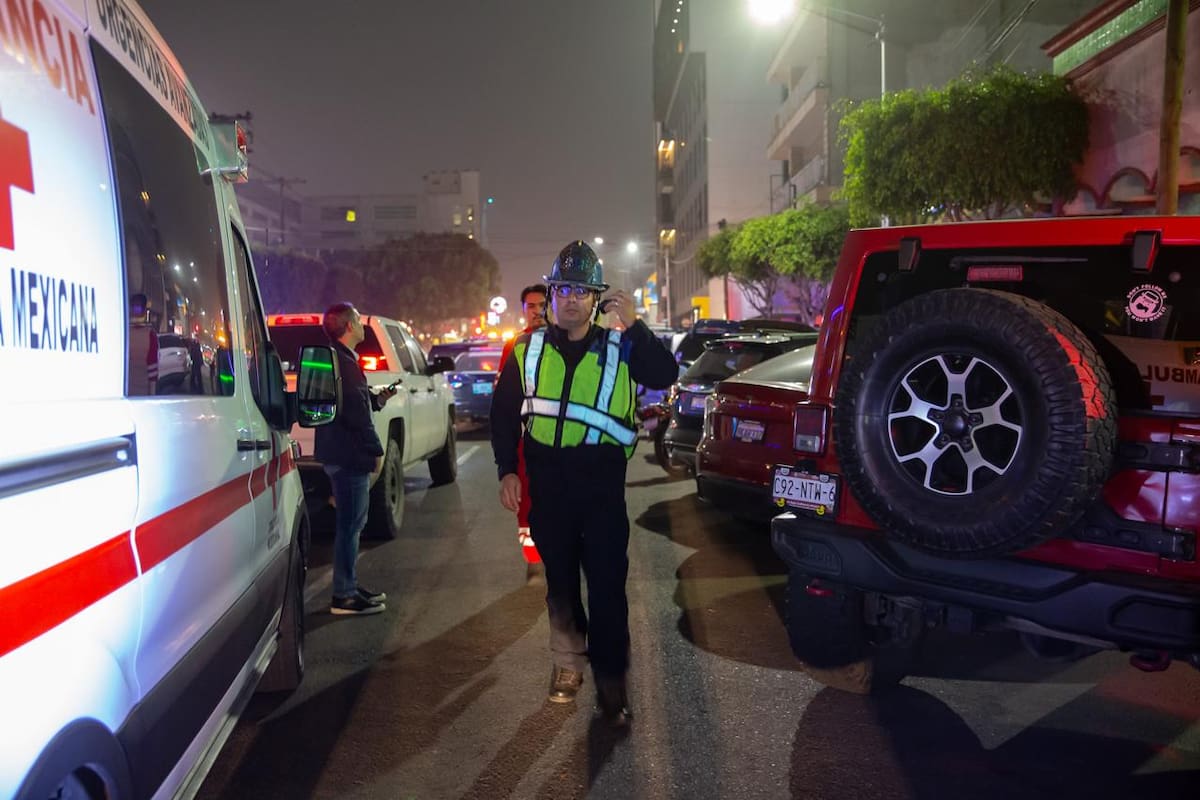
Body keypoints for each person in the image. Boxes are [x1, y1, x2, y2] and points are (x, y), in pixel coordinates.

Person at [490, 241, 677, 726]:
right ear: (551, 296)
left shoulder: (621, 346)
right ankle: (568, 665)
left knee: (608, 589)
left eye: (581, 291)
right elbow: (505, 415)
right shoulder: (526, 350)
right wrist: (506, 470)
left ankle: (612, 684)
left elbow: (665, 372)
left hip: (601, 492)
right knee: (561, 586)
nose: (570, 299)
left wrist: (635, 324)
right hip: (549, 491)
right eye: (563, 289)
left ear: (597, 299)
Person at [315, 302, 396, 616]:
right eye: (359, 322)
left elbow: (355, 405)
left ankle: (349, 586)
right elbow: (357, 415)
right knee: (351, 526)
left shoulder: (337, 359)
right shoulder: (346, 364)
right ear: (349, 326)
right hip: (349, 455)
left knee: (351, 524)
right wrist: (375, 450)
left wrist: (378, 398)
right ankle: (344, 595)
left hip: (338, 452)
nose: (363, 327)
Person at [499, 284, 549, 585]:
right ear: (523, 310)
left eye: (542, 304)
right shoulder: (515, 346)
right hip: (526, 441)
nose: (537, 311)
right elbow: (503, 405)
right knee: (527, 506)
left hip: (562, 440)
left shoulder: (565, 341)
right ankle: (535, 564)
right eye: (531, 306)